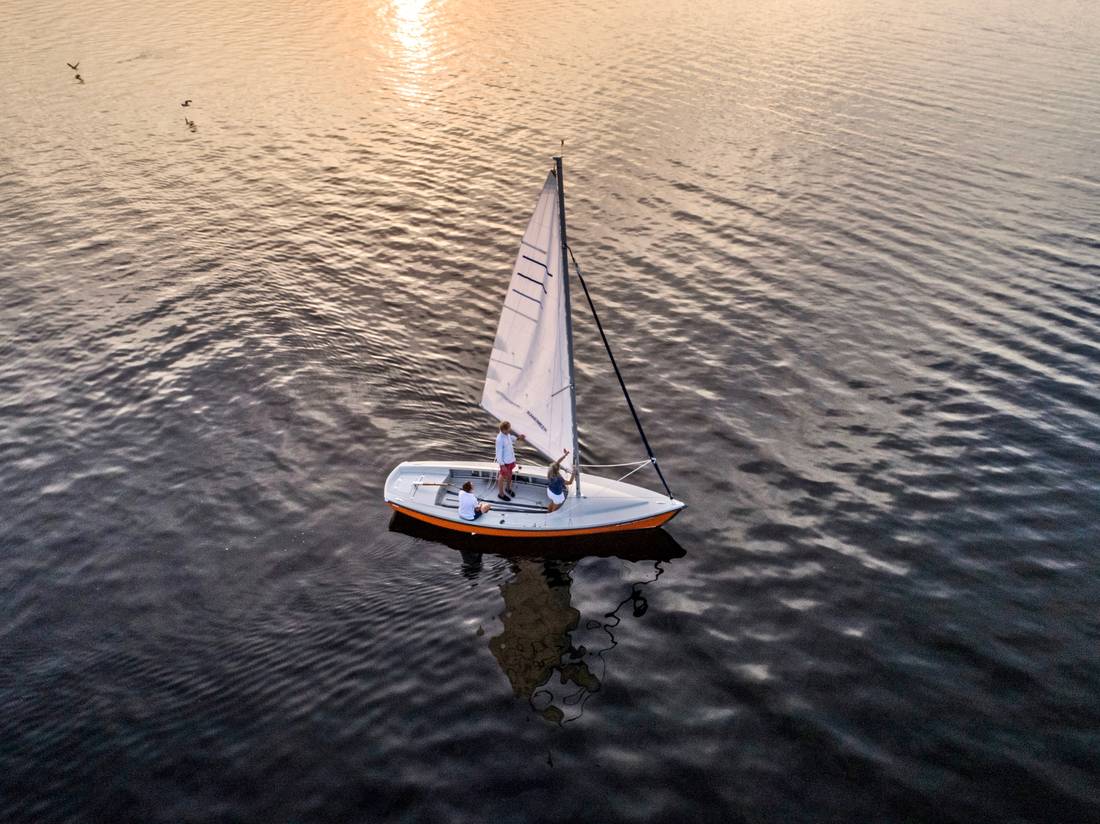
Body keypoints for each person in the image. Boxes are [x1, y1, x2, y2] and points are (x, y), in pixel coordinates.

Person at [494, 421, 526, 501]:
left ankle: (508, 488)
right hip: (505, 462)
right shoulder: (499, 439)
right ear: (504, 429)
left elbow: (511, 438)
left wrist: (518, 438)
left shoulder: (507, 434)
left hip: (511, 459)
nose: (510, 429)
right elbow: (498, 453)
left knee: (510, 474)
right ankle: (501, 494)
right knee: (501, 477)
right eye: (509, 428)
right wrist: (502, 465)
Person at [546, 449, 576, 513]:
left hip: (550, 492)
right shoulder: (559, 479)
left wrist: (565, 455)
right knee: (555, 507)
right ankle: (551, 515)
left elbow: (558, 462)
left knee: (553, 502)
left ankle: (548, 511)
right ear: (558, 469)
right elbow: (570, 482)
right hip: (556, 495)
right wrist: (574, 473)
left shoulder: (550, 472)